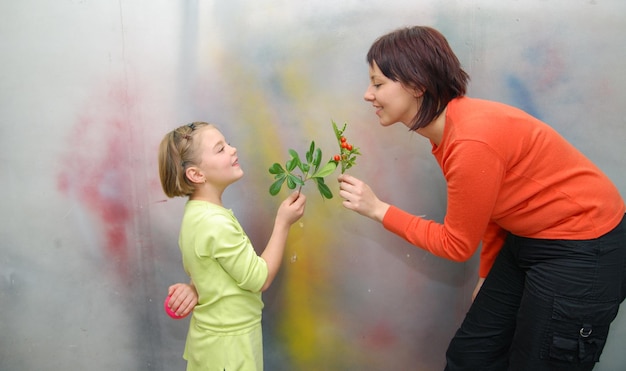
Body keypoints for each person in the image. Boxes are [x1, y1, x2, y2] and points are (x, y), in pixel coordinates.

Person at [338, 26, 626, 370]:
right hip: (528, 238)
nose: (368, 94)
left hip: (583, 247)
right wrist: (488, 274)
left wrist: (378, 209)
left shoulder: (470, 141)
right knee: (471, 358)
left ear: (416, 85)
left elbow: (455, 245)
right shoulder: (451, 128)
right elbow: (492, 206)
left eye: (378, 83)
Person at [158, 121, 307, 371]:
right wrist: (282, 223)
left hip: (212, 343)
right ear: (196, 174)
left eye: (227, 144)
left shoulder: (196, 214)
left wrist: (195, 287)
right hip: (231, 347)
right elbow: (259, 279)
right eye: (220, 149)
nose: (233, 149)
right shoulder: (216, 223)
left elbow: (209, 268)